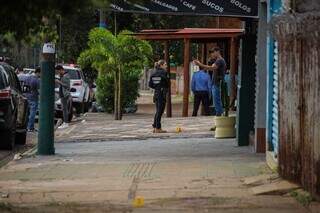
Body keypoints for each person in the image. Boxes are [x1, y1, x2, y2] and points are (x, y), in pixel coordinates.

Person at [194, 47, 226, 116]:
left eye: (213, 52)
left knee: (217, 101)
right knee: (216, 101)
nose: (212, 54)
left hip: (217, 83)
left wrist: (200, 64)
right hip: (216, 83)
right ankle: (220, 117)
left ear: (217, 52)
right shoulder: (218, 61)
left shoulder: (219, 60)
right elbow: (210, 68)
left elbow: (212, 68)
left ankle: (220, 117)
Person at [149, 60, 169, 133]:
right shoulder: (164, 73)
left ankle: (155, 127)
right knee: (160, 111)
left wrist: (157, 87)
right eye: (165, 64)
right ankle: (158, 128)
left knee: (158, 111)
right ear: (161, 65)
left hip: (156, 93)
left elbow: (150, 84)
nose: (166, 66)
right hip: (162, 94)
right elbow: (167, 84)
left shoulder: (153, 73)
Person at [24, 67, 41, 132]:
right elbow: (39, 90)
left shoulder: (28, 77)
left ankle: (27, 127)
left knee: (27, 113)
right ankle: (30, 127)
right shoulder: (37, 80)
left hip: (27, 96)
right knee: (32, 114)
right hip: (34, 98)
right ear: (38, 72)